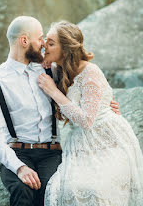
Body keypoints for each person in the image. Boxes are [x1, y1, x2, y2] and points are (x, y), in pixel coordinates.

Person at [0, 16, 120, 206]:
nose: (43, 44)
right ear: (24, 41)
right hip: (18, 153)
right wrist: (20, 168)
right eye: (40, 39)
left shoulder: (51, 69)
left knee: (53, 192)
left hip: (51, 153)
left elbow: (83, 88)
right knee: (23, 190)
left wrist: (105, 106)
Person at [37, 20, 143, 206]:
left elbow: (86, 120)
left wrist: (53, 91)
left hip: (108, 141)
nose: (45, 45)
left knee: (95, 189)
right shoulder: (57, 70)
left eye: (51, 43)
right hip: (80, 143)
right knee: (64, 188)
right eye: (46, 40)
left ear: (67, 48)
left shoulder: (90, 72)